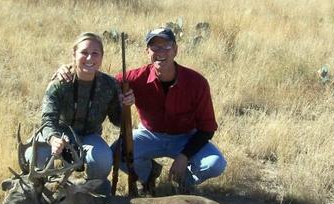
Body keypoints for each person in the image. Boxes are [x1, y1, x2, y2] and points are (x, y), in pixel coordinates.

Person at [56, 27, 227, 194]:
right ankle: (149, 176)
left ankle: (181, 183)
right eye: (154, 46)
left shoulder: (197, 82)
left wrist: (184, 157)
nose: (160, 51)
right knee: (115, 154)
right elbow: (99, 78)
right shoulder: (134, 78)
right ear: (147, 51)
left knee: (215, 163)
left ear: (175, 49)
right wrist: (70, 68)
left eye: (166, 46)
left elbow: (207, 128)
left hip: (186, 137)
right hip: (149, 134)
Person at [29, 32, 123, 195]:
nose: (89, 58)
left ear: (101, 57)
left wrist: (126, 105)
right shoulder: (60, 82)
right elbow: (47, 119)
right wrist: (53, 139)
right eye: (84, 53)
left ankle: (93, 195)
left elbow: (118, 120)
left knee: (102, 158)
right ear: (74, 54)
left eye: (95, 53)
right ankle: (42, 196)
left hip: (88, 137)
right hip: (59, 134)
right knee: (34, 154)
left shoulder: (110, 84)